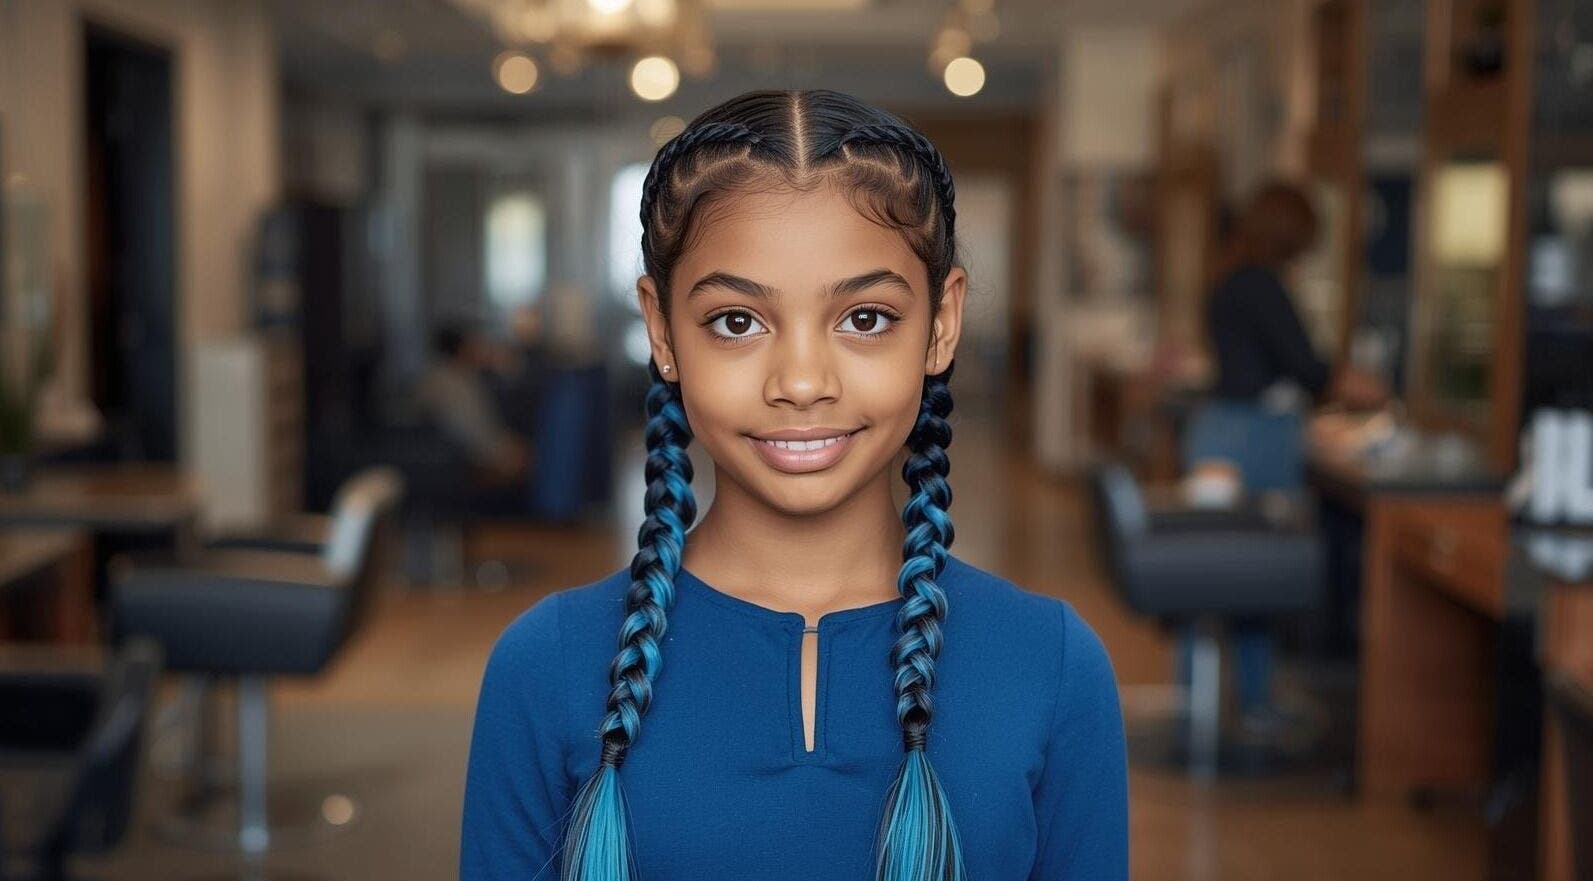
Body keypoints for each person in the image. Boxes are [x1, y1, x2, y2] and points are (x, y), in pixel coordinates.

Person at [460, 90, 1127, 881]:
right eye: (738, 321)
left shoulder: (1049, 665)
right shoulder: (547, 665)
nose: (802, 381)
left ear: (941, 323)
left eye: (866, 317)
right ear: (662, 330)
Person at [1183, 180, 1388, 734]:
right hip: (1256, 439)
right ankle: (1255, 701)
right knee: (1261, 570)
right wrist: (1367, 391)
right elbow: (1308, 368)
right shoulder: (1263, 286)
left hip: (1216, 434)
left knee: (1213, 569)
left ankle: (1199, 703)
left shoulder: (1227, 277)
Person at [415, 323, 531, 487]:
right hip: (474, 452)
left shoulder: (458, 375)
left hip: (482, 446)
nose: (479, 349)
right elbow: (467, 430)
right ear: (462, 349)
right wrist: (500, 450)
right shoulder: (449, 382)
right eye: (473, 345)